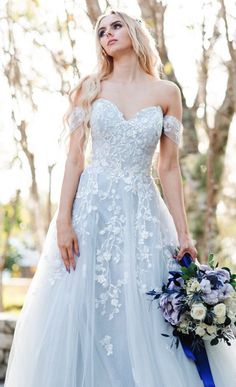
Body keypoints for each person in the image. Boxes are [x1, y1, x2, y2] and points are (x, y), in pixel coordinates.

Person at [4, 9, 236, 387]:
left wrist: (184, 234)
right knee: (85, 306)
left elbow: (169, 168)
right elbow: (75, 158)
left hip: (143, 212)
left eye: (115, 26)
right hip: (91, 211)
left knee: (143, 311)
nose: (107, 34)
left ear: (134, 32)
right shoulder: (89, 87)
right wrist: (63, 220)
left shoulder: (167, 93)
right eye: (101, 31)